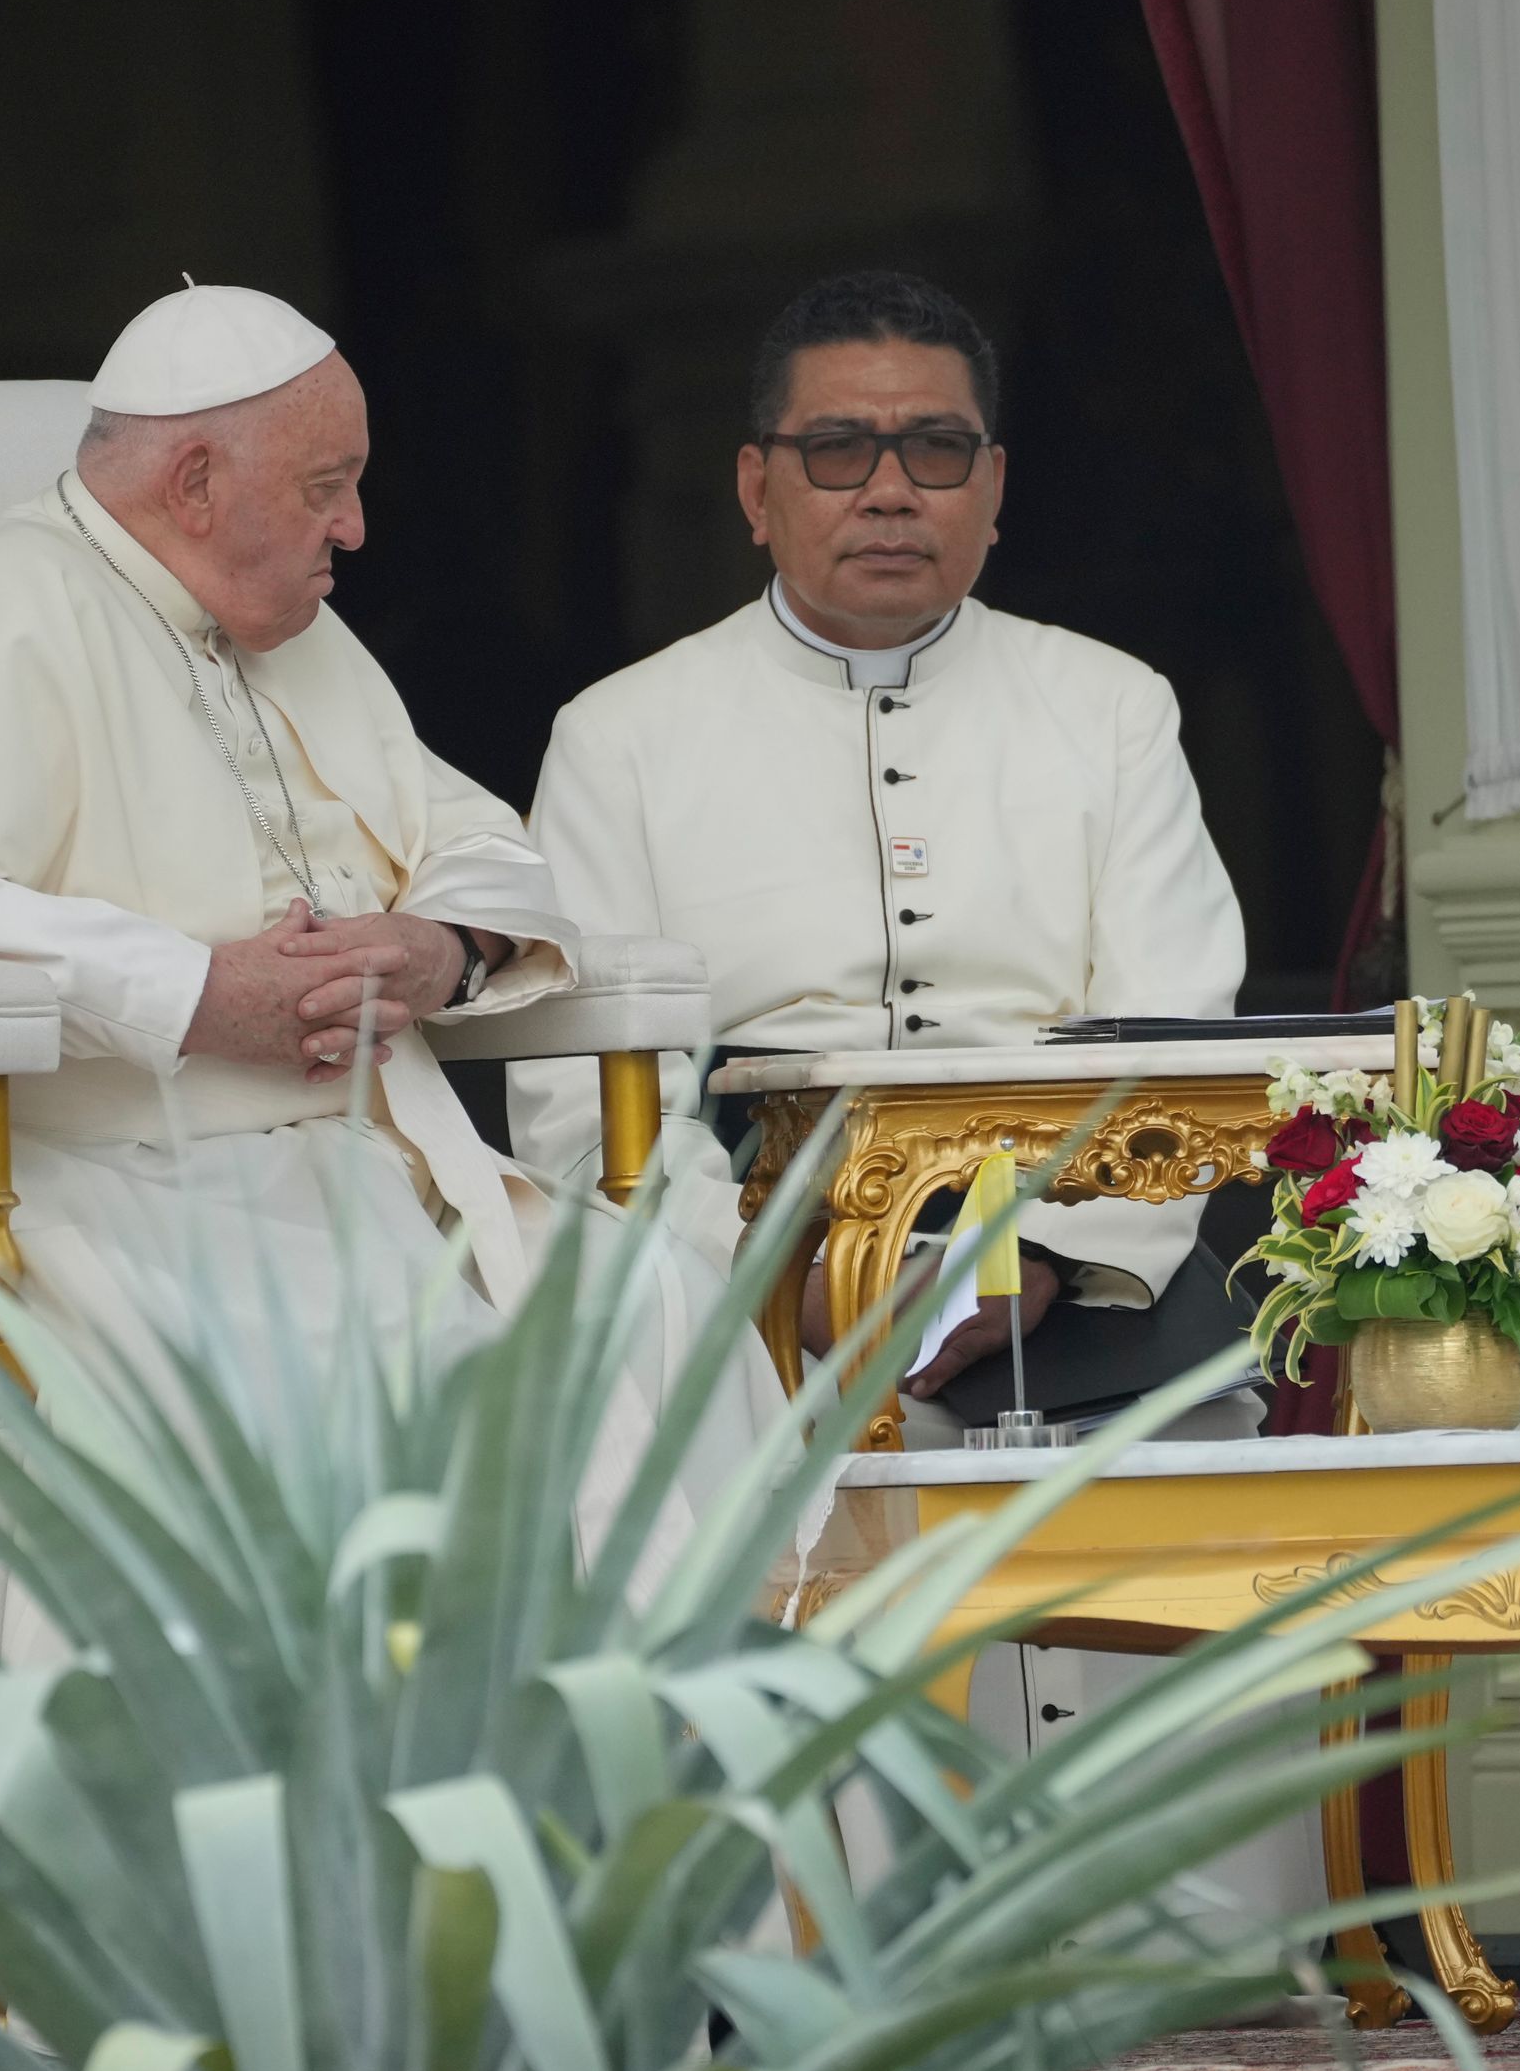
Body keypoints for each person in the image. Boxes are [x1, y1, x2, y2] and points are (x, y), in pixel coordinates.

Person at [0, 283, 753, 1571]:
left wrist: (442, 947)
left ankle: (644, 1754)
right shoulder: (4, 610)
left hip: (359, 1188)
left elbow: (483, 842)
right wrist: (193, 992)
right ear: (197, 481)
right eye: (329, 484)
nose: (359, 528)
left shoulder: (299, 637)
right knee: (394, 1392)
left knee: (655, 1302)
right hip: (97, 1194)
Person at [515, 269, 1259, 1441]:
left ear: (995, 485)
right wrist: (787, 1287)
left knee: (1190, 1569)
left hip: (1074, 1276)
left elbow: (1178, 1027)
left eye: (936, 449)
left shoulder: (1111, 707)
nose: (891, 492)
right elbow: (580, 1102)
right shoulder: (621, 739)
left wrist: (1046, 1257)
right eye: (838, 450)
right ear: (756, 488)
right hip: (736, 1289)